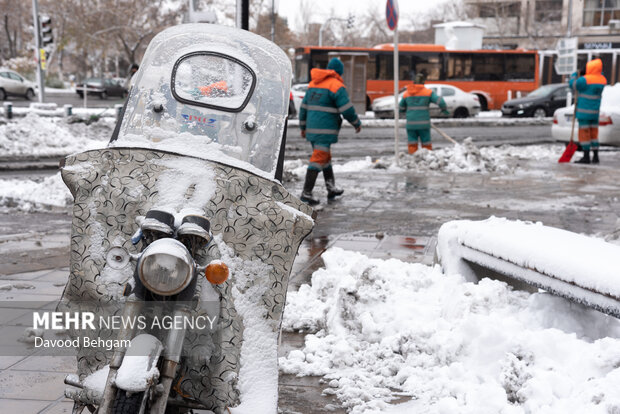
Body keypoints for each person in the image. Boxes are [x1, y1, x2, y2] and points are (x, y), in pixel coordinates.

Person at [298, 57, 362, 205]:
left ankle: (331, 187)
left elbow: (303, 108)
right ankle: (306, 193)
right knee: (319, 158)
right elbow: (346, 109)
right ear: (339, 71)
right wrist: (356, 123)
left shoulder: (313, 84)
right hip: (325, 130)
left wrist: (303, 127)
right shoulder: (336, 85)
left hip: (312, 129)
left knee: (325, 157)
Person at [399, 73, 449, 154]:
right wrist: (444, 109)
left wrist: (403, 111)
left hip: (411, 124)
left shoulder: (406, 93)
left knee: (412, 143)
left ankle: (413, 158)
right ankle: (427, 158)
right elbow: (440, 101)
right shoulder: (428, 92)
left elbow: (400, 107)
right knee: (426, 143)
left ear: (414, 82)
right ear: (423, 82)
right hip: (424, 124)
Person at [569, 58, 607, 164]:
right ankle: (595, 156)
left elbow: (572, 84)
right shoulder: (602, 79)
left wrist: (575, 74)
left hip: (584, 113)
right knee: (594, 135)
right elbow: (599, 74)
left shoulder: (585, 80)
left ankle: (586, 157)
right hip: (595, 113)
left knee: (584, 135)